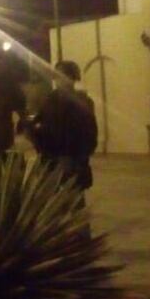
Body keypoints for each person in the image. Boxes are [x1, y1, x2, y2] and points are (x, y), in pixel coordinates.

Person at [31, 60, 98, 206]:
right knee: (58, 203)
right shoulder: (51, 100)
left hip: (68, 158)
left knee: (72, 201)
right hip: (55, 157)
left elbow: (88, 132)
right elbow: (40, 123)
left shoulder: (77, 101)